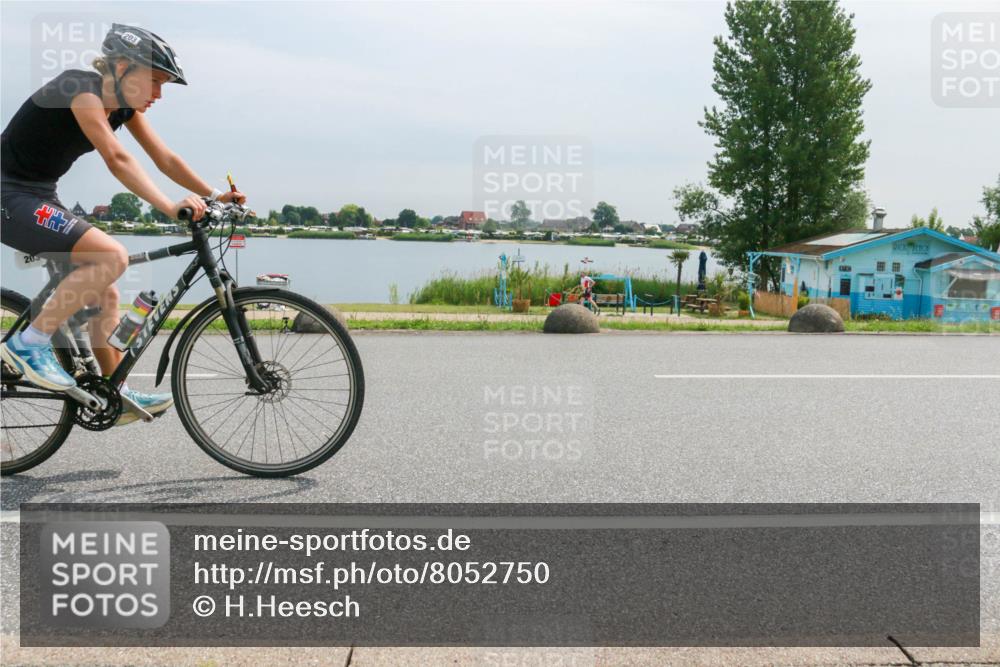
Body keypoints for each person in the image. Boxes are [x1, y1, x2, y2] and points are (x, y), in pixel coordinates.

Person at [1, 24, 246, 425]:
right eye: (154, 82)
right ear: (119, 66)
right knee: (110, 256)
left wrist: (214, 195)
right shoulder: (78, 90)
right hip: (7, 195)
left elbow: (164, 158)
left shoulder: (124, 108)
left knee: (106, 293)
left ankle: (114, 392)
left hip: (40, 194)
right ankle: (29, 345)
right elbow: (117, 158)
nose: (158, 94)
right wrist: (169, 206)